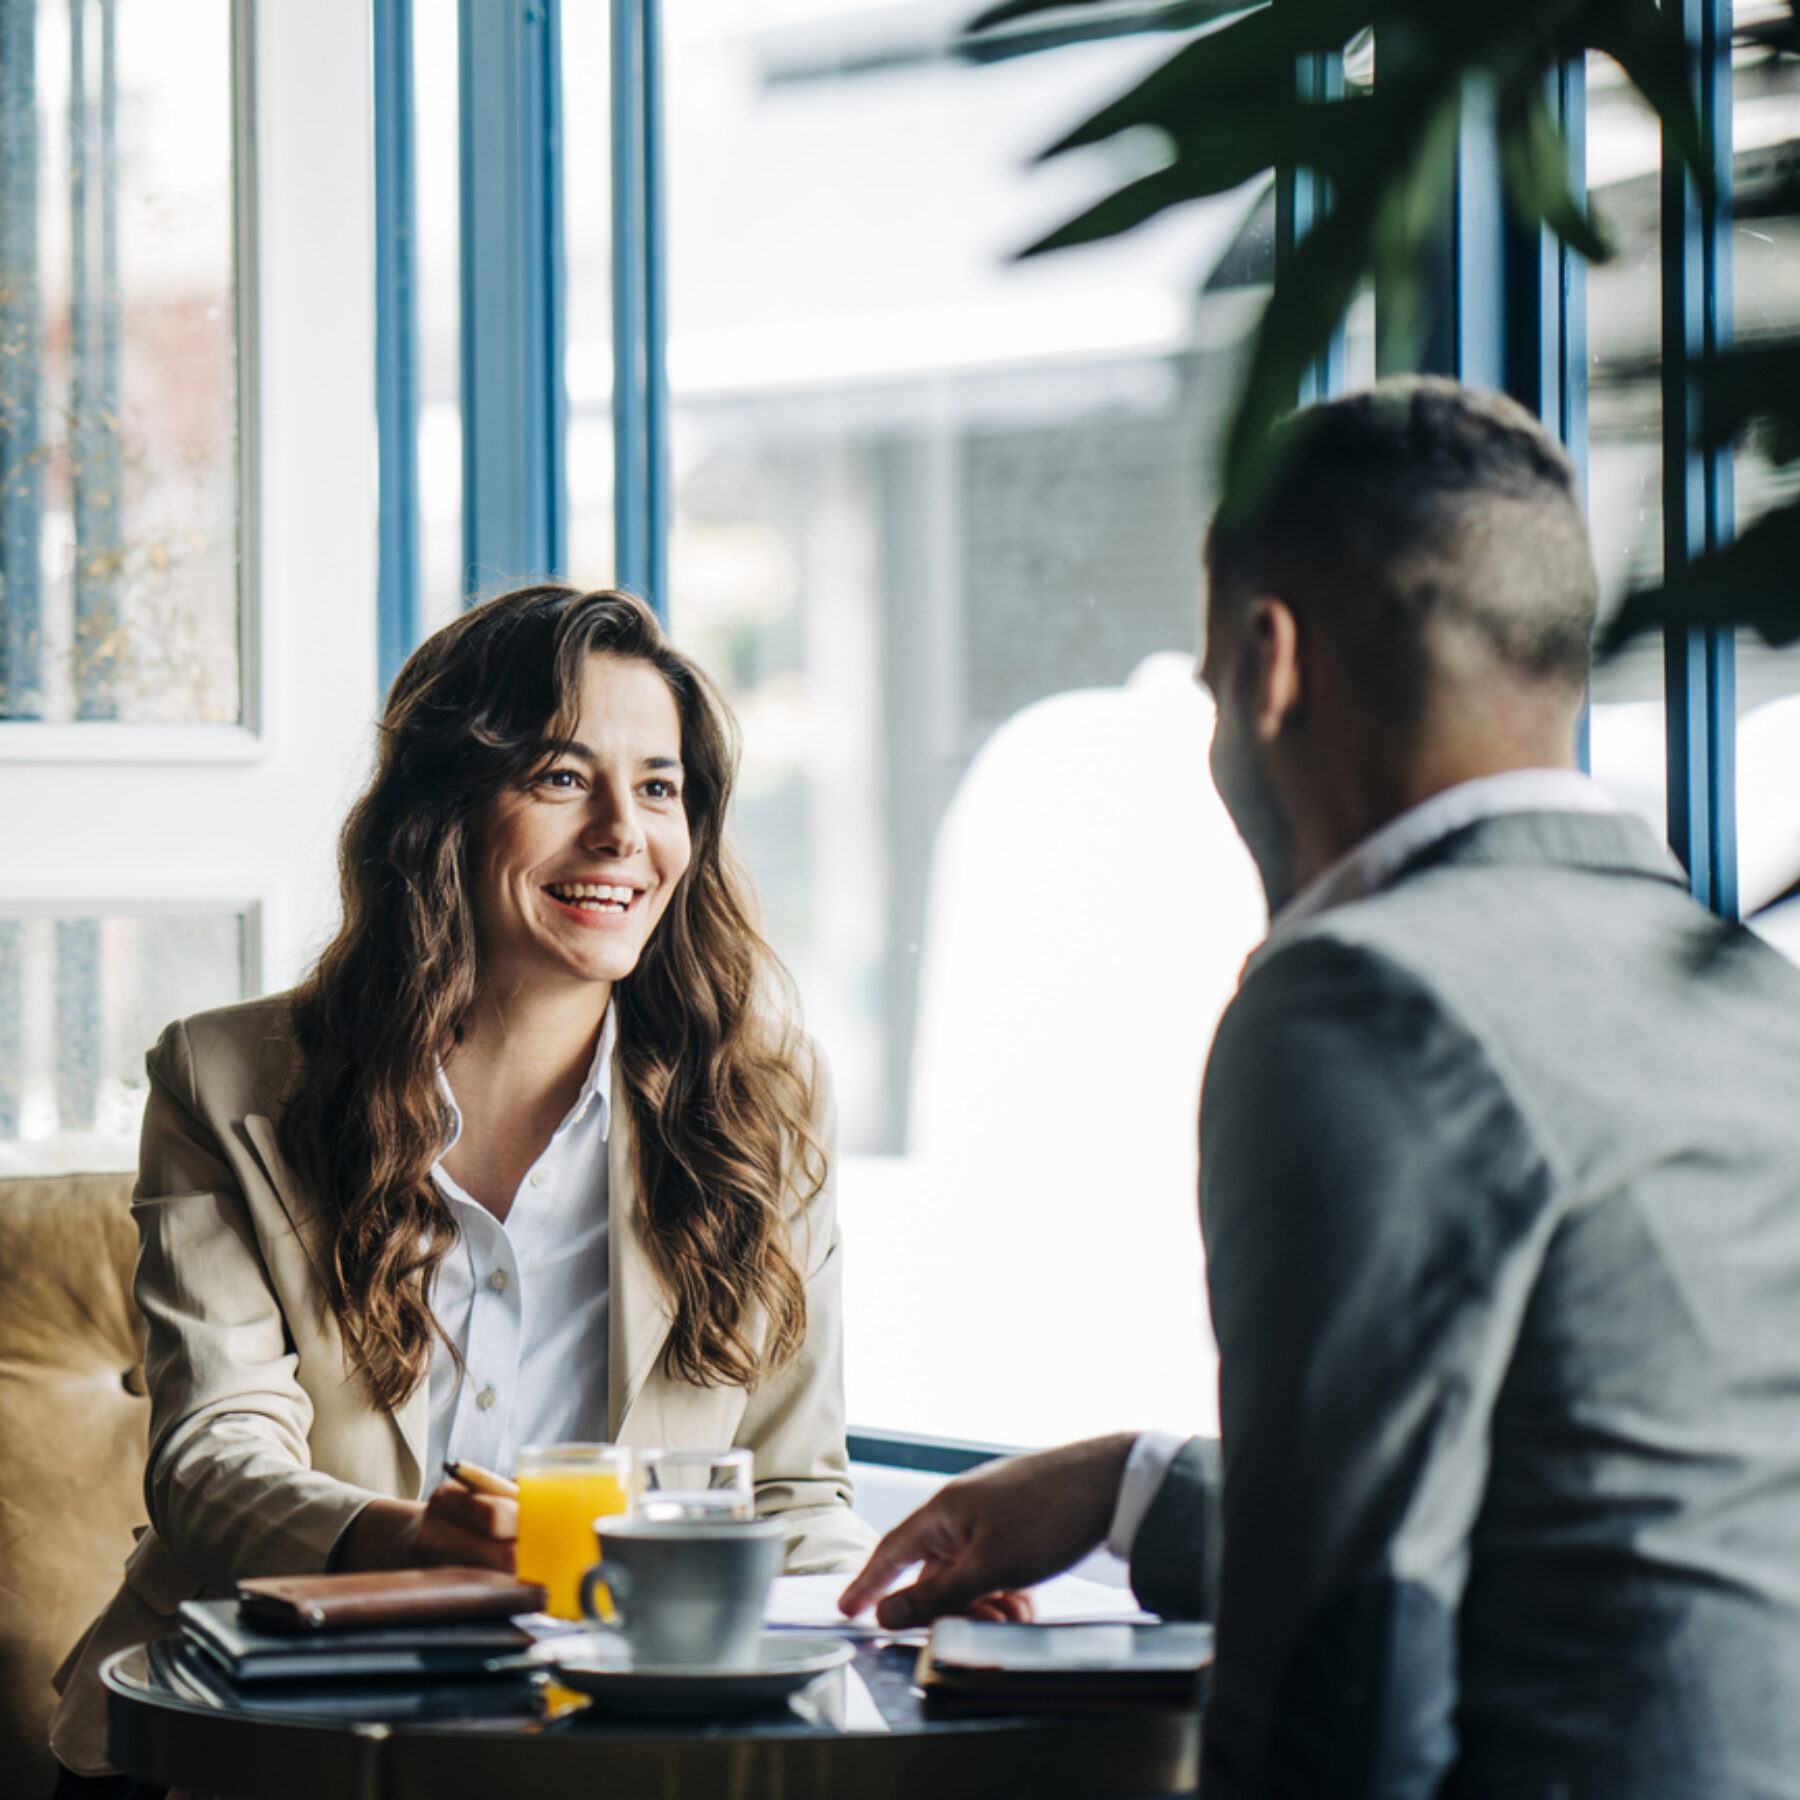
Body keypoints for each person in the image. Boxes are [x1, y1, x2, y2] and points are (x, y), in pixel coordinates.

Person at [841, 379, 1800, 1796]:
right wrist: (1129, 1486)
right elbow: (1582, 1527)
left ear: (1268, 660)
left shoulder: (1365, 997)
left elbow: (1344, 1669)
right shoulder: (1747, 993)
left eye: (1211, 691)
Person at [52, 586, 873, 1788]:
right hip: (253, 1732)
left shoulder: (766, 1107)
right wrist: (408, 1542)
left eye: (659, 787)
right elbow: (211, 1464)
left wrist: (909, 1606)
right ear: (443, 808)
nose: (622, 834)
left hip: (598, 1749)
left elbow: (793, 1493)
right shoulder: (224, 1080)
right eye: (561, 778)